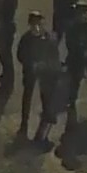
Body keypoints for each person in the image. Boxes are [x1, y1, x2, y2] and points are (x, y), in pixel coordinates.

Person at [17, 11, 62, 143]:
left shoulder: (50, 38)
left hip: (45, 74)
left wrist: (47, 65)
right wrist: (31, 64)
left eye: (38, 23)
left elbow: (54, 56)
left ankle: (45, 123)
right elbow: (20, 55)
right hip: (30, 72)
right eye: (33, 24)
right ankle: (24, 123)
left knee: (46, 96)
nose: (36, 26)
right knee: (27, 97)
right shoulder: (26, 39)